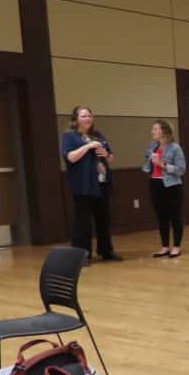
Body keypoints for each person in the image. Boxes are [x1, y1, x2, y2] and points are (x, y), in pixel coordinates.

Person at [60, 106, 121, 262]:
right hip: (83, 185)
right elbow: (70, 157)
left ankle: (106, 251)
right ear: (76, 119)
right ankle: (81, 255)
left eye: (89, 116)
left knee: (104, 219)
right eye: (83, 116)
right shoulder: (69, 136)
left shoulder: (98, 135)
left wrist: (106, 154)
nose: (87, 118)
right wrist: (88, 146)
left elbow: (110, 158)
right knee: (83, 222)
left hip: (101, 183)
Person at [142, 120, 187, 258]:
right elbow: (146, 166)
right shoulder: (152, 146)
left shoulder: (175, 148)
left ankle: (176, 247)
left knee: (175, 217)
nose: (152, 132)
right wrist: (149, 162)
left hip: (172, 186)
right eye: (153, 129)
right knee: (161, 218)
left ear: (164, 131)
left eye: (155, 129)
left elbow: (181, 169)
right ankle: (165, 247)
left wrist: (162, 164)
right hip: (155, 184)